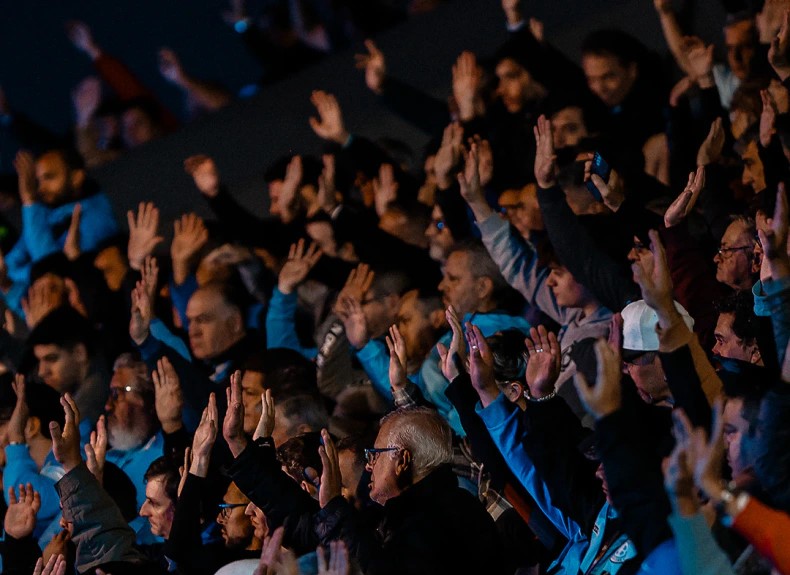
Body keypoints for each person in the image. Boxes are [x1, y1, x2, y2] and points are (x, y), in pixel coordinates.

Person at [315, 408, 508, 574]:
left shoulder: (433, 523)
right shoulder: (441, 505)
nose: (369, 466)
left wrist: (333, 507)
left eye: (375, 455)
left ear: (402, 461)